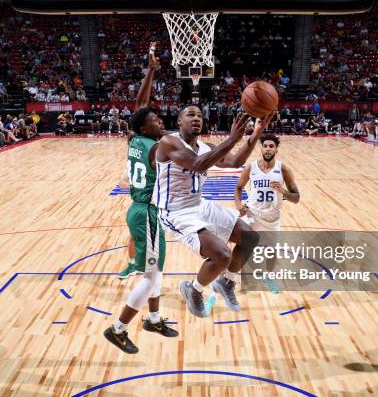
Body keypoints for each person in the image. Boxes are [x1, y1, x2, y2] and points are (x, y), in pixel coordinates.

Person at [154, 103, 272, 318]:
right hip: (175, 212)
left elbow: (236, 160)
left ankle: (226, 282)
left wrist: (257, 131)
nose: (197, 118)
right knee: (221, 254)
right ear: (179, 121)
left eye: (200, 115)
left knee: (250, 238)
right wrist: (232, 139)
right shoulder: (168, 142)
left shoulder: (206, 147)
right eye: (190, 115)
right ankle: (194, 289)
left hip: (199, 204)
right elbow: (198, 164)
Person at [104, 43, 178, 354]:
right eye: (156, 120)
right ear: (146, 127)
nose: (160, 121)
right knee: (148, 278)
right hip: (146, 213)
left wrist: (150, 71)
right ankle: (118, 328)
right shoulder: (155, 147)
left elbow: (140, 105)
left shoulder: (135, 137)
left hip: (144, 211)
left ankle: (154, 319)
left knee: (155, 272)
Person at [234, 134, 300, 293]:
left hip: (272, 217)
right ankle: (244, 281)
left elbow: (296, 198)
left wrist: (283, 190)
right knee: (244, 247)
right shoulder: (251, 167)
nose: (268, 149)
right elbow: (238, 188)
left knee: (272, 251)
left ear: (276, 149)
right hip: (253, 214)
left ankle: (268, 277)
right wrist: (239, 205)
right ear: (261, 148)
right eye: (266, 146)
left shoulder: (283, 169)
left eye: (272, 146)